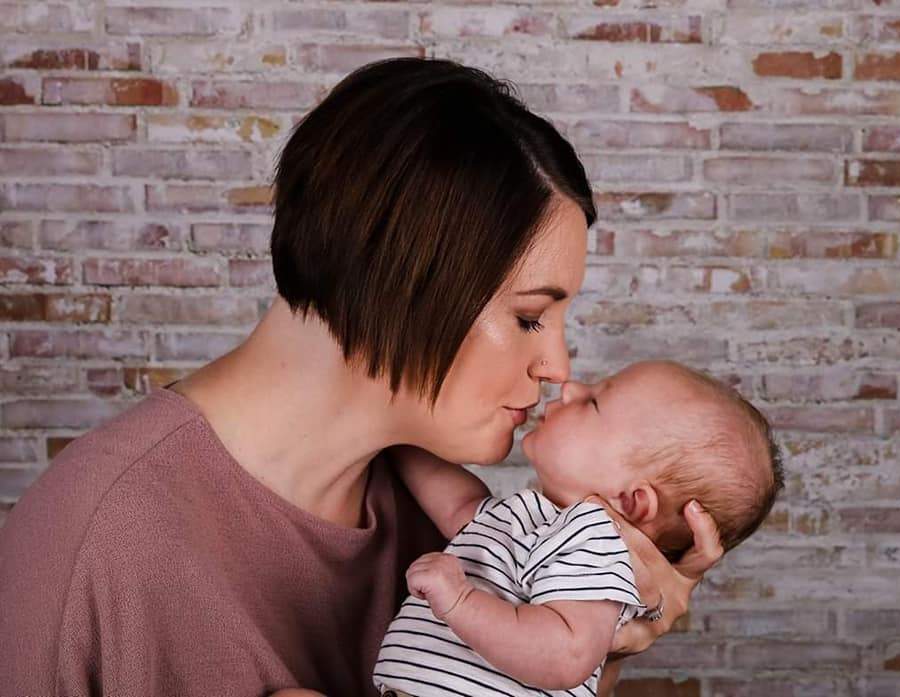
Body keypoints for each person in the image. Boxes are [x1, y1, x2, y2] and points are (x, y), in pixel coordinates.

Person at [0, 58, 723, 697]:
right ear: (402, 278)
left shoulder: (458, 529)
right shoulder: (84, 552)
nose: (559, 368)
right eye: (531, 318)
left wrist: (603, 642)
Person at [371, 360, 784, 696]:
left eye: (594, 404)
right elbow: (459, 506)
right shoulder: (538, 520)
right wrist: (392, 430)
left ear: (632, 501)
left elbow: (568, 656)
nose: (570, 388)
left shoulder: (598, 546)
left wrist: (460, 602)